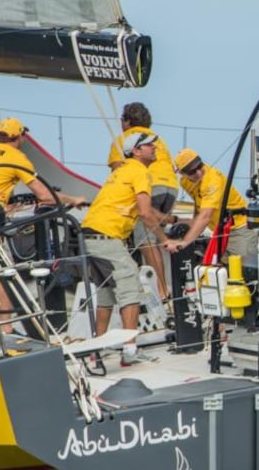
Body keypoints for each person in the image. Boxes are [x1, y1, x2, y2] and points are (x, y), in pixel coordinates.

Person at [0, 118, 88, 331]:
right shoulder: (16, 158)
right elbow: (45, 195)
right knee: (3, 270)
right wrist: (73, 199)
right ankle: (7, 327)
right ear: (19, 137)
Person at [82, 131, 169, 366]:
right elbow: (144, 213)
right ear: (136, 151)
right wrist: (165, 239)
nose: (154, 148)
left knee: (106, 292)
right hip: (108, 235)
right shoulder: (140, 172)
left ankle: (97, 349)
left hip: (88, 234)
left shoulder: (122, 170)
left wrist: (168, 220)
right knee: (130, 280)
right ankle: (130, 349)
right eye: (149, 146)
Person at [106, 102, 177, 301]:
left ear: (127, 121)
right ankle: (162, 286)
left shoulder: (126, 140)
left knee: (145, 240)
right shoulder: (157, 140)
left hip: (149, 185)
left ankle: (162, 291)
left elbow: (118, 171)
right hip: (171, 188)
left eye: (122, 119)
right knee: (152, 238)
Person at [163, 149, 256, 261]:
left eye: (199, 166)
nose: (198, 172)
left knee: (243, 270)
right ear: (182, 173)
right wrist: (193, 230)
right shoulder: (184, 182)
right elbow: (199, 206)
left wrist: (184, 242)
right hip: (219, 231)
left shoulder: (212, 180)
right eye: (192, 171)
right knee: (219, 271)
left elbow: (206, 216)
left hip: (239, 229)